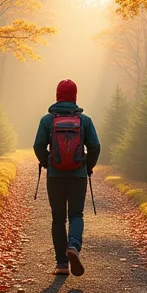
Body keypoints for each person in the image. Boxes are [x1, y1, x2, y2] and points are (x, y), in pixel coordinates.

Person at [33, 79, 101, 276]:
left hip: (55, 176)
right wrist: (87, 166)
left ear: (57, 96)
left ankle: (62, 264)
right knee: (76, 215)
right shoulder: (85, 121)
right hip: (78, 176)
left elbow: (38, 146)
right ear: (75, 97)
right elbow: (95, 146)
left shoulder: (47, 120)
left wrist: (48, 162)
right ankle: (73, 245)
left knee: (58, 219)